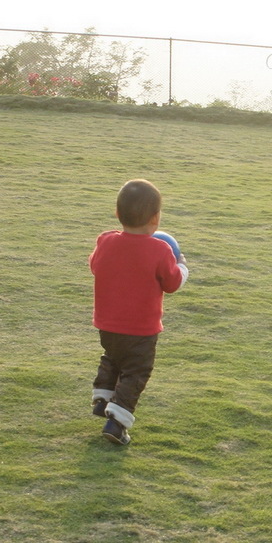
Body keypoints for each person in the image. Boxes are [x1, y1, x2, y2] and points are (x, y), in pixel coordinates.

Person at [89, 178, 188, 446]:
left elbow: (96, 266)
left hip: (107, 325)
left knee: (114, 356)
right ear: (156, 218)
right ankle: (117, 422)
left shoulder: (105, 241)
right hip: (141, 330)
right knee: (136, 371)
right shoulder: (161, 249)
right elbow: (172, 283)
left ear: (118, 214)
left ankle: (103, 398)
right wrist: (181, 266)